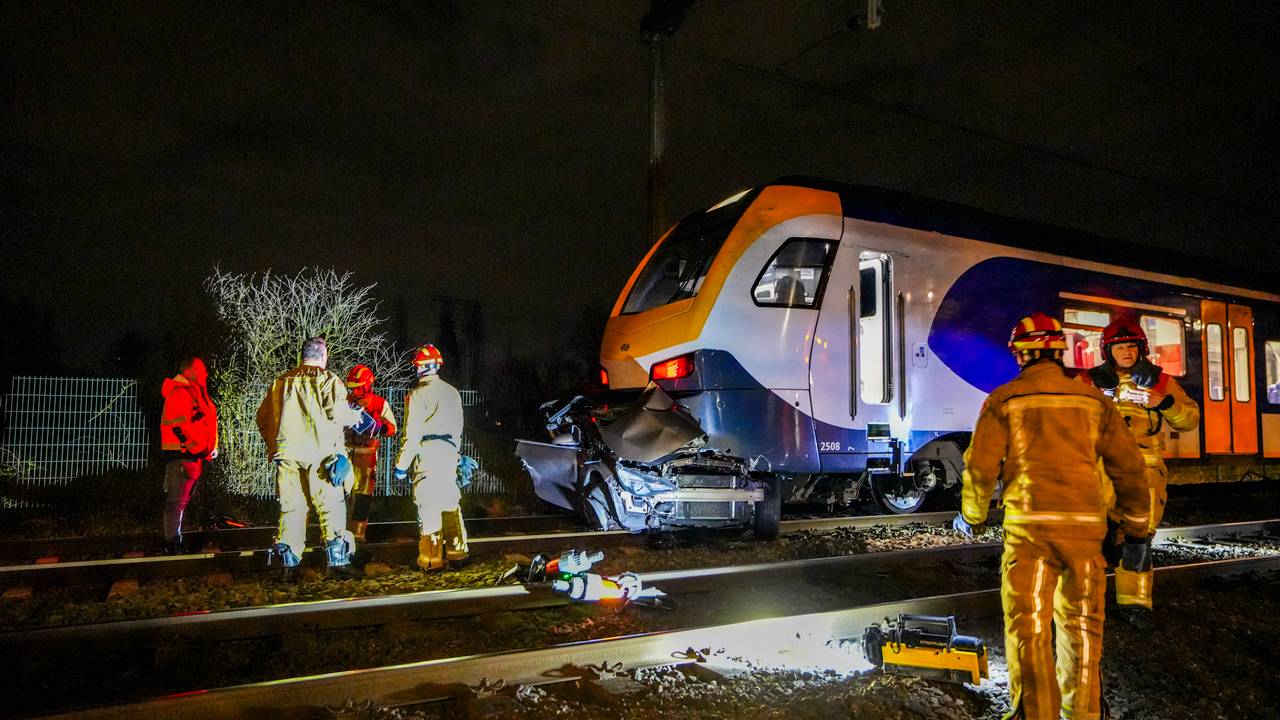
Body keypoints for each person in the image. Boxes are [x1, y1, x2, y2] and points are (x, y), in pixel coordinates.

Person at [954, 312, 1149, 720]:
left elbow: (980, 468)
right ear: (1060, 352)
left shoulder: (1004, 400)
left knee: (1029, 625)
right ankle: (1083, 714)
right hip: (1084, 535)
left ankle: (1034, 712)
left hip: (1029, 534)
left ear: (1020, 355)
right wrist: (1135, 529)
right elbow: (1130, 467)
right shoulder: (1093, 402)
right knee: (1082, 626)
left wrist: (972, 516)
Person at [1080, 316, 1200, 615]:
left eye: (1132, 346)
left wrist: (1162, 402)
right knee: (1089, 539)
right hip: (1098, 472)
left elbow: (1190, 419)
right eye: (1120, 348)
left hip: (1145, 474)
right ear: (1108, 351)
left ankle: (1134, 605)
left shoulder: (1161, 383)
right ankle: (1082, 603)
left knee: (1138, 539)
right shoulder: (1087, 382)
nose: (1127, 353)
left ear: (1141, 349)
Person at [256, 337, 362, 577]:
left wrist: (276, 446)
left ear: (301, 356)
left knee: (292, 508)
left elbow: (262, 418)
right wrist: (357, 418)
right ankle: (337, 563)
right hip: (320, 454)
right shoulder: (327, 379)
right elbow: (337, 412)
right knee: (330, 506)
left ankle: (287, 565)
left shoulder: (280, 383)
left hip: (287, 455)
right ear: (323, 357)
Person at [394, 343, 468, 572]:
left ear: (419, 368)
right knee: (450, 504)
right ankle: (458, 555)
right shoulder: (452, 392)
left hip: (426, 454)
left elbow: (412, 434)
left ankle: (431, 560)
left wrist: (401, 466)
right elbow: (458, 428)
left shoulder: (417, 395)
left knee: (429, 507)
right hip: (448, 454)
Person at [158, 357, 218, 553]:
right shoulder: (180, 394)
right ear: (189, 371)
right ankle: (172, 543)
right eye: (201, 369)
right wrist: (196, 447)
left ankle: (174, 541)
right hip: (183, 457)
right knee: (176, 501)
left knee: (179, 501)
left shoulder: (192, 393)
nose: (206, 374)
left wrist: (209, 446)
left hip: (192, 456)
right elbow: (179, 427)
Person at [344, 364, 397, 543]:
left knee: (362, 498)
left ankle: (357, 536)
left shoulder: (380, 403)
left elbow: (392, 428)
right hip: (344, 452)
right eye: (351, 388)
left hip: (366, 456)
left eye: (357, 387)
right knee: (337, 497)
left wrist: (378, 427)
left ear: (367, 385)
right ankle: (333, 535)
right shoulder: (344, 401)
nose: (354, 391)